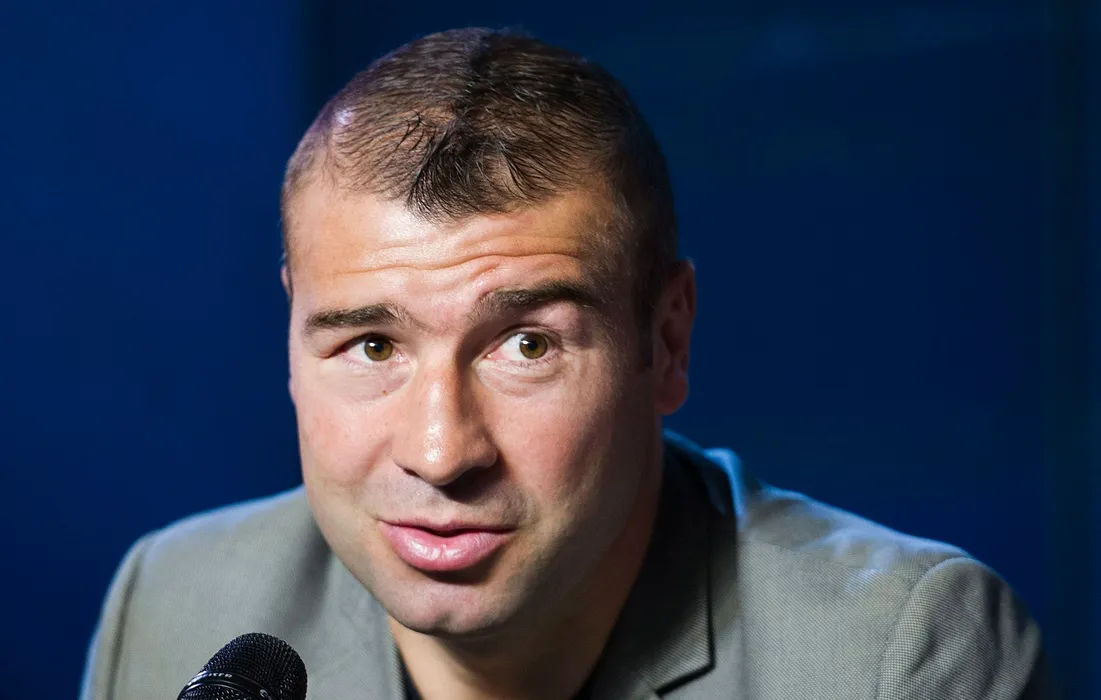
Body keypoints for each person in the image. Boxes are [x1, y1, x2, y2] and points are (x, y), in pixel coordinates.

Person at [79, 28, 1057, 700]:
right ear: (292, 341)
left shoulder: (892, 658)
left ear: (664, 341)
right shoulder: (172, 600)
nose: (439, 452)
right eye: (372, 345)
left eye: (527, 345)